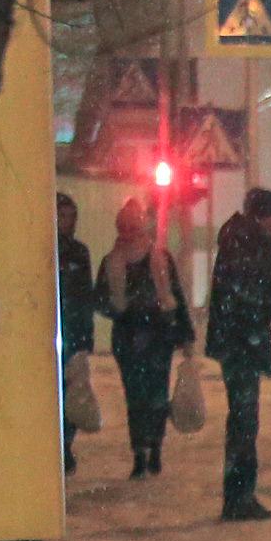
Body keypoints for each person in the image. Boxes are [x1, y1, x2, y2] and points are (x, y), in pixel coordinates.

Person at [204, 185, 271, 521]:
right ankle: (239, 497)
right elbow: (247, 299)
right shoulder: (245, 243)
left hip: (238, 342)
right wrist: (260, 344)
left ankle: (240, 494)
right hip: (240, 344)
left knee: (243, 420)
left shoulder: (242, 239)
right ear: (262, 216)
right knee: (243, 420)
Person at [93, 197, 190, 479]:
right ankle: (143, 451)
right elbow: (101, 300)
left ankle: (152, 450)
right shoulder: (115, 262)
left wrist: (183, 333)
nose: (132, 233)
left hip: (153, 337)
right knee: (141, 397)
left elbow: (175, 297)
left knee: (151, 396)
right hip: (134, 339)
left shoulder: (155, 258)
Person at [55, 193, 96, 474]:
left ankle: (65, 444)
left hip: (71, 333)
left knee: (71, 392)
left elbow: (84, 296)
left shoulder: (78, 253)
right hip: (53, 332)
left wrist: (85, 339)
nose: (66, 222)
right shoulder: (45, 248)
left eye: (70, 216)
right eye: (61, 216)